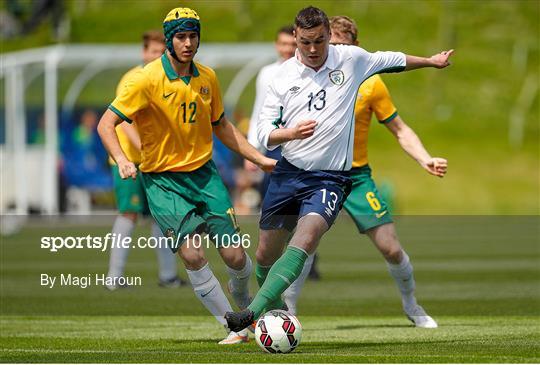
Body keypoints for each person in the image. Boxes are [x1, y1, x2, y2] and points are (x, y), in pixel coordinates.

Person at [225, 6, 452, 332]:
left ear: (331, 38)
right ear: (295, 38)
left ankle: (251, 314)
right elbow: (263, 132)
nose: (314, 49)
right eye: (306, 42)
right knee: (263, 255)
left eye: (321, 41)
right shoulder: (279, 76)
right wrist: (290, 133)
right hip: (289, 172)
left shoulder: (353, 62)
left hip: (335, 177)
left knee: (306, 240)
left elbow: (395, 60)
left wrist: (431, 61)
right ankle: (275, 314)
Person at [97, 7, 276, 345]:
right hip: (163, 182)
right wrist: (121, 158)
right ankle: (234, 326)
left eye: (193, 35)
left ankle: (248, 312)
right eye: (181, 36)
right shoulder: (144, 79)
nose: (188, 42)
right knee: (192, 254)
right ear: (169, 40)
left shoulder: (207, 77)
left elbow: (221, 125)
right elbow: (106, 124)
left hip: (205, 178)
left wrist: (259, 158)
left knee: (236, 256)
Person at [105, 30, 186, 291]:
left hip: (156, 161)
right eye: (152, 51)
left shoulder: (167, 79)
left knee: (160, 218)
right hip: (129, 159)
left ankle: (168, 276)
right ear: (144, 52)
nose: (156, 56)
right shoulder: (133, 78)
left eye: (161, 52)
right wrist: (144, 146)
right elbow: (123, 121)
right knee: (129, 213)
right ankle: (114, 277)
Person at [245, 24, 322, 284]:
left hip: (303, 149)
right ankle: (275, 258)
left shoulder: (311, 71)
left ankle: (307, 260)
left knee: (307, 206)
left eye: (291, 44)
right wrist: (252, 151)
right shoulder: (268, 73)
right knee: (276, 208)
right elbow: (260, 112)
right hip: (274, 148)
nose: (287, 49)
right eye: (283, 44)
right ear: (277, 46)